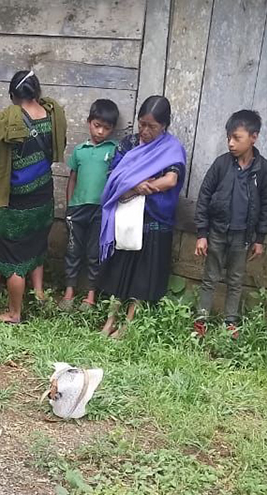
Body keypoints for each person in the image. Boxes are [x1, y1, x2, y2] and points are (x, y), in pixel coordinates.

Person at [96, 95, 187, 339]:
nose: (145, 131)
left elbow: (171, 179)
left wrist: (147, 187)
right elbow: (114, 176)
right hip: (127, 218)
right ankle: (110, 320)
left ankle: (127, 325)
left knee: (142, 275)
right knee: (120, 270)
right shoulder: (129, 143)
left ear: (164, 126)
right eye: (142, 124)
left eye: (152, 127)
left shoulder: (171, 148)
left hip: (154, 220)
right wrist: (136, 186)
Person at [0, 71, 66, 324]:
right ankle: (38, 294)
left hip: (15, 200)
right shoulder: (52, 116)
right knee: (36, 242)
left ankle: (14, 312)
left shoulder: (5, 120)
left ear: (12, 95)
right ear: (37, 91)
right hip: (44, 194)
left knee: (13, 257)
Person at [193, 109, 267, 338]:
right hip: (217, 232)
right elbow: (204, 196)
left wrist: (260, 239)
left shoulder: (264, 170)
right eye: (228, 137)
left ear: (254, 137)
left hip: (242, 236)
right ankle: (200, 321)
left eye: (237, 138)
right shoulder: (221, 164)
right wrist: (202, 233)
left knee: (236, 280)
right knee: (210, 277)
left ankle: (230, 323)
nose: (230, 143)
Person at [59, 98, 119, 311]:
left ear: (112, 129)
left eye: (106, 128)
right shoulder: (80, 150)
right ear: (89, 122)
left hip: (100, 210)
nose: (100, 131)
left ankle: (90, 295)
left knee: (94, 253)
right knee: (73, 250)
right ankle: (69, 292)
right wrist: (69, 206)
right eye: (97, 125)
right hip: (77, 209)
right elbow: (72, 179)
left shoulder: (114, 150)